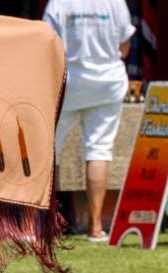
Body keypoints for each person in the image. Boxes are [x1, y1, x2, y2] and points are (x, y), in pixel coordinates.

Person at [43, 0, 135, 241]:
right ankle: (95, 227)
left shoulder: (59, 2)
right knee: (99, 150)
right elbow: (125, 47)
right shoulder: (115, 2)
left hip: (68, 81)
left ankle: (42, 222)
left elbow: (46, 43)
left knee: (49, 149)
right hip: (107, 82)